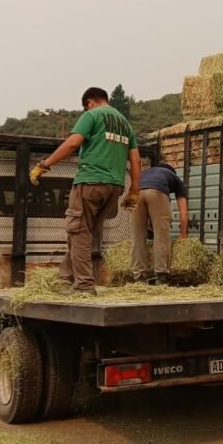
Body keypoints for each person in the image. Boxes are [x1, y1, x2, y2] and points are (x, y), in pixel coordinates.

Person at [30, 87, 141, 296]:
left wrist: (44, 165)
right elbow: (135, 159)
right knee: (84, 233)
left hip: (90, 182)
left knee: (78, 231)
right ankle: (65, 276)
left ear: (89, 102)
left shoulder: (92, 115)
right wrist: (134, 190)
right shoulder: (125, 124)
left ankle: (84, 286)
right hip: (115, 186)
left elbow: (73, 143)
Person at [131, 162, 188, 284]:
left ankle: (139, 276)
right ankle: (161, 275)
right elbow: (184, 213)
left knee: (138, 237)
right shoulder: (175, 178)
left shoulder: (146, 173)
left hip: (136, 193)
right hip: (157, 192)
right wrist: (183, 235)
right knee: (161, 236)